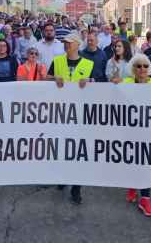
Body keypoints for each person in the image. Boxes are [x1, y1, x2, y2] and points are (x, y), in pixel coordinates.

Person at [117, 53, 151, 217]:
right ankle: (133, 185)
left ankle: (145, 198)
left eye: (145, 66)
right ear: (133, 69)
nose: (142, 69)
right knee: (132, 160)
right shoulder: (126, 82)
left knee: (146, 162)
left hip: (150, 132)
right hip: (130, 132)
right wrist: (113, 84)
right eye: (138, 66)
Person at [49, 32, 94, 205]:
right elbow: (47, 78)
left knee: (78, 152)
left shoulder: (89, 63)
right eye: (65, 43)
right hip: (60, 113)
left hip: (81, 114)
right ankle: (62, 177)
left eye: (69, 43)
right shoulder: (58, 61)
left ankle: (76, 187)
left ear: (77, 44)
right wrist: (55, 79)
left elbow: (99, 83)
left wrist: (89, 80)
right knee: (61, 148)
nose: (66, 45)